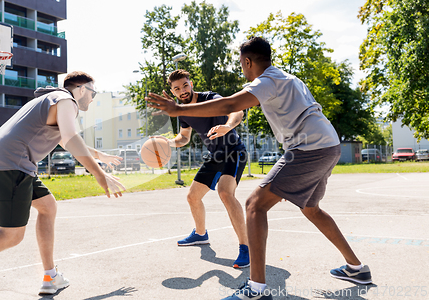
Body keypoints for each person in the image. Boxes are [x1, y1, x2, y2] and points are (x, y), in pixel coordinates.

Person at [147, 37, 372, 300]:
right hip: (328, 144)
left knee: (254, 204)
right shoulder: (288, 78)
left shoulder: (266, 81)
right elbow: (186, 135)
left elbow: (232, 105)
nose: (242, 69)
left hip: (308, 148)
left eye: (242, 65)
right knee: (311, 209)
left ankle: (256, 289)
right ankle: (357, 268)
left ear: (247, 62)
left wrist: (177, 109)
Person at [0, 71, 126, 300]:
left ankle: (50, 276)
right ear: (82, 89)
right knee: (10, 235)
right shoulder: (66, 101)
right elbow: (71, 138)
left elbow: (65, 139)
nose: (93, 98)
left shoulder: (50, 100)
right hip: (13, 162)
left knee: (47, 206)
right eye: (93, 92)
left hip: (13, 160)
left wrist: (99, 155)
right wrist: (100, 175)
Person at [155, 69, 250, 269]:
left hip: (234, 152)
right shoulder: (183, 112)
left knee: (225, 192)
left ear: (191, 83)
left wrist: (228, 126)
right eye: (177, 88)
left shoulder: (211, 98)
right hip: (215, 155)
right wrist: (166, 142)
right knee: (192, 197)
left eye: (185, 85)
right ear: (173, 92)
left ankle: (246, 247)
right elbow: (183, 139)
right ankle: (200, 234)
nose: (182, 91)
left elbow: (237, 110)